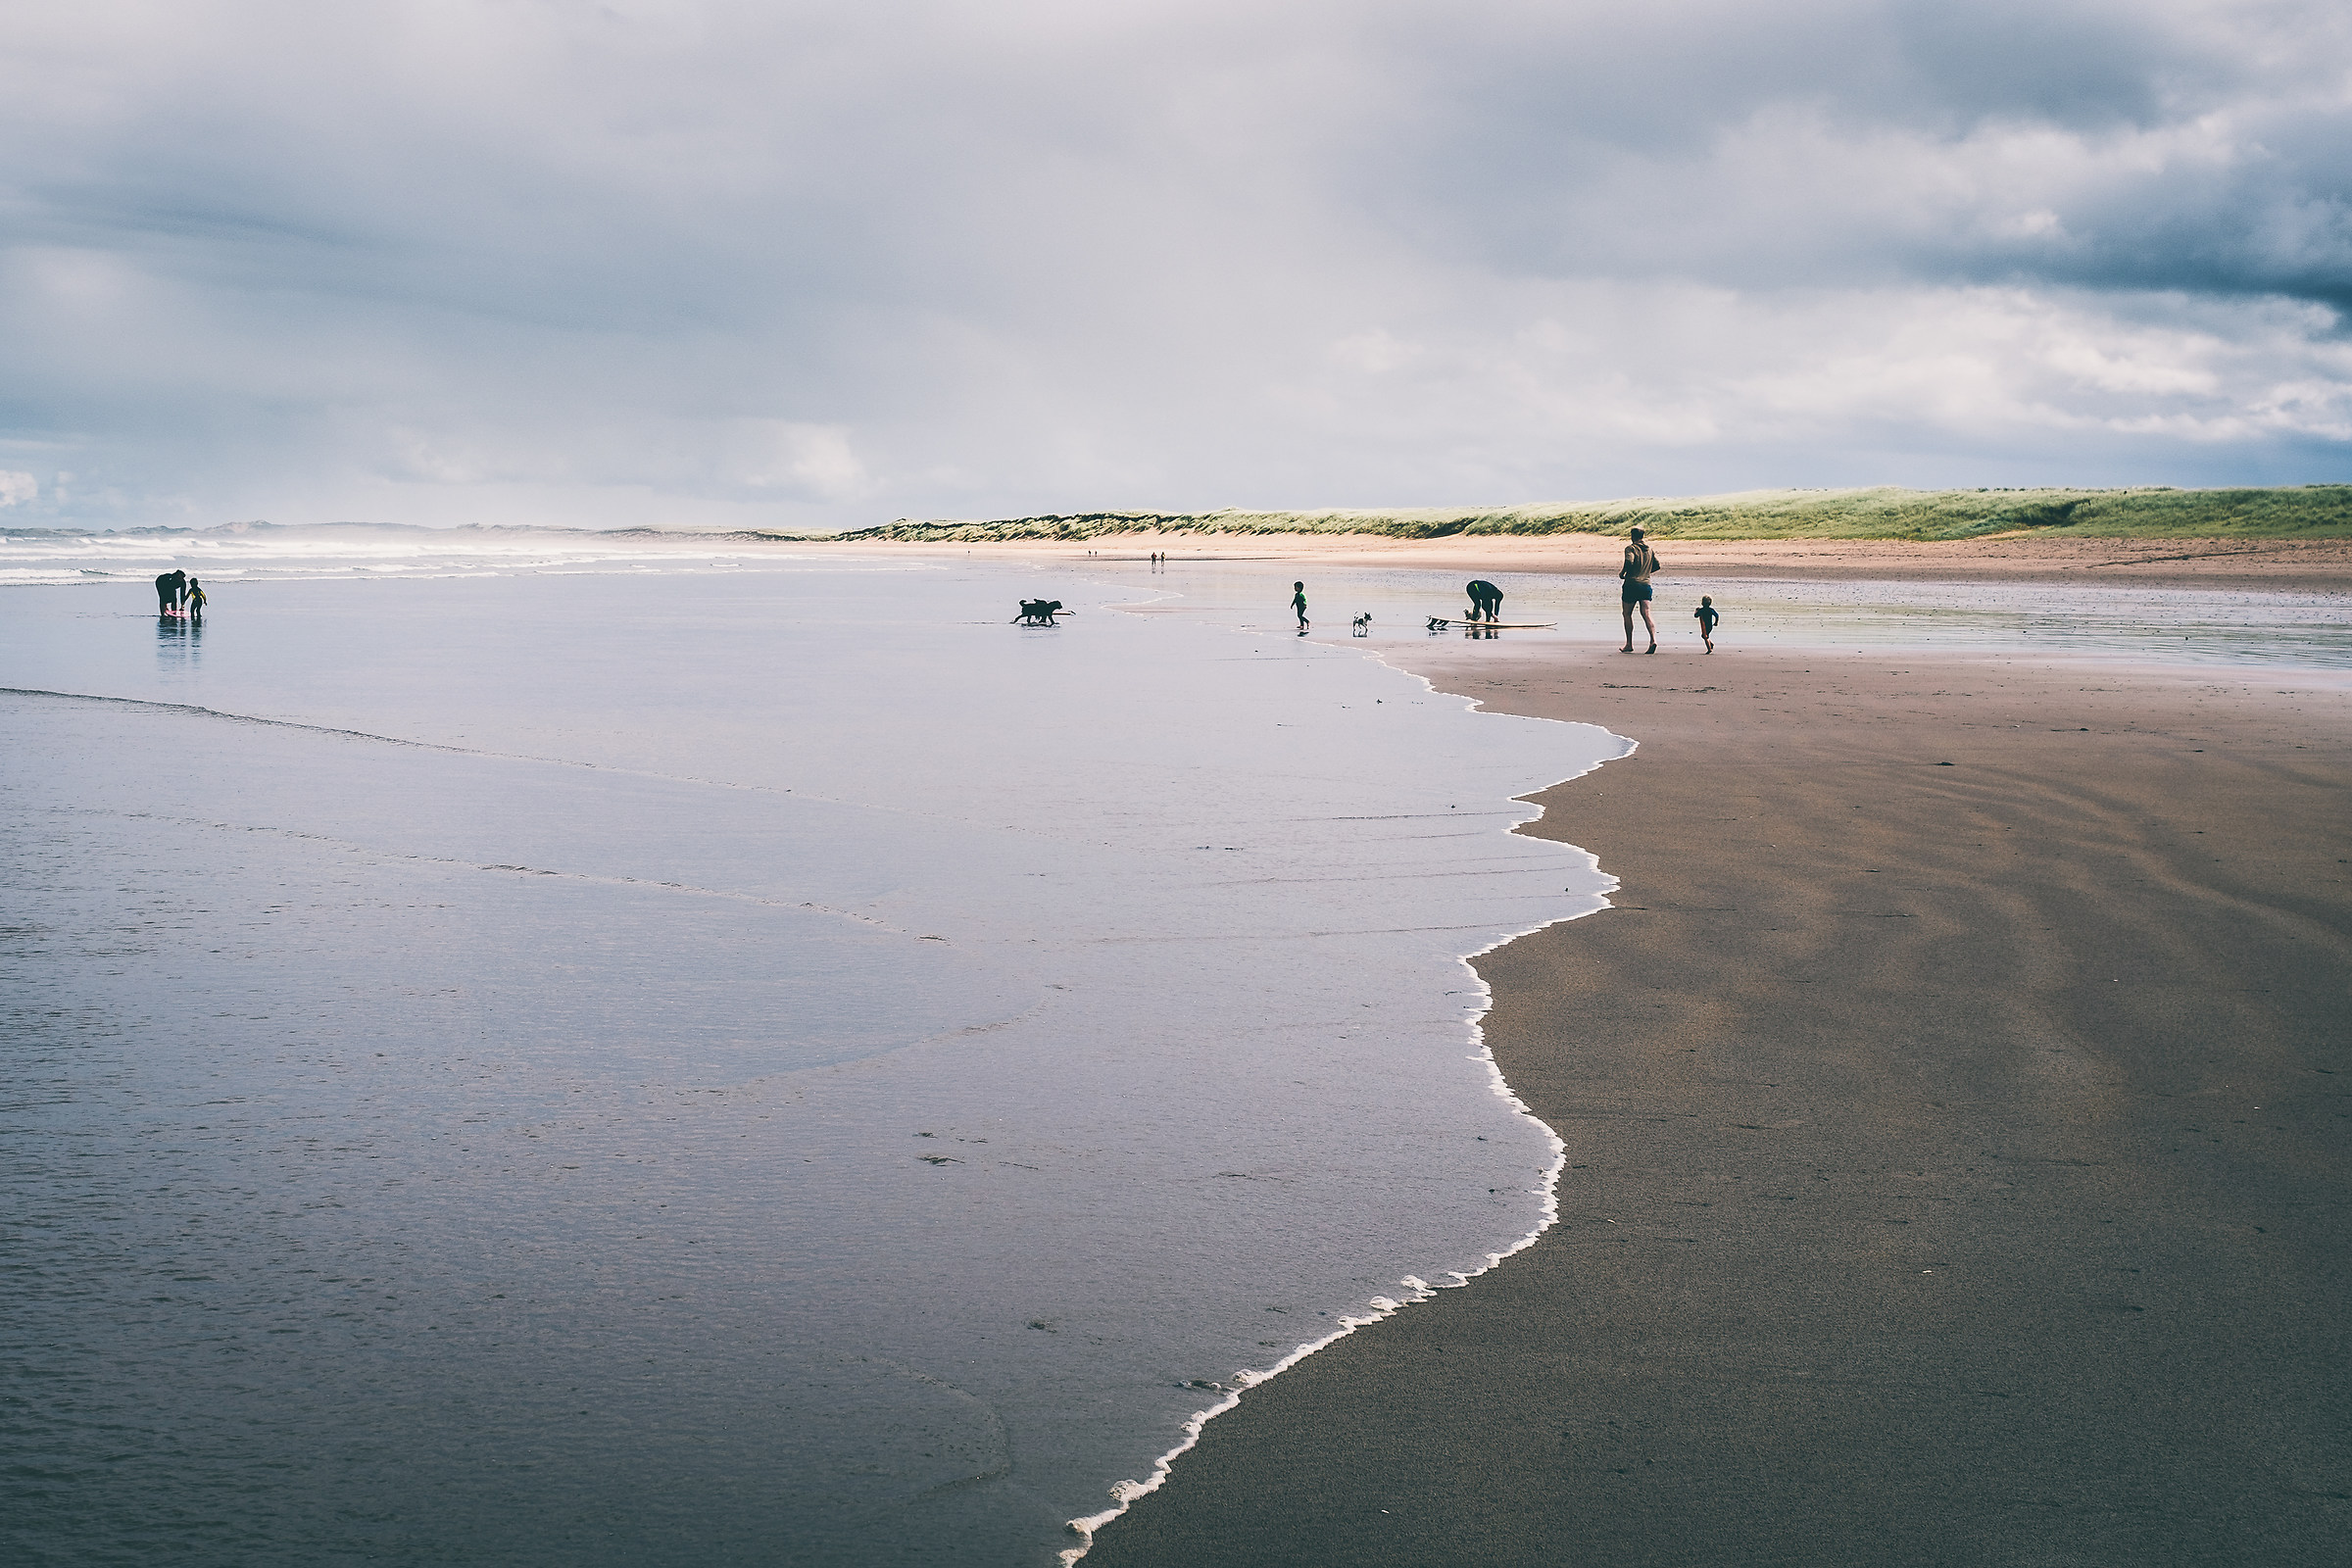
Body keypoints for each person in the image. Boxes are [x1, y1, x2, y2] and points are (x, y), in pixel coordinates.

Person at [1619, 527, 1662, 653]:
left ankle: (1629, 644)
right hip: (1646, 585)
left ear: (1632, 536)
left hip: (1631, 584)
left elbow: (1629, 561)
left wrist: (1623, 573)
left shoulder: (1631, 548)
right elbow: (1657, 566)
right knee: (1646, 613)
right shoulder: (1650, 550)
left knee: (1627, 614)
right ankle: (1653, 640)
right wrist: (1646, 572)